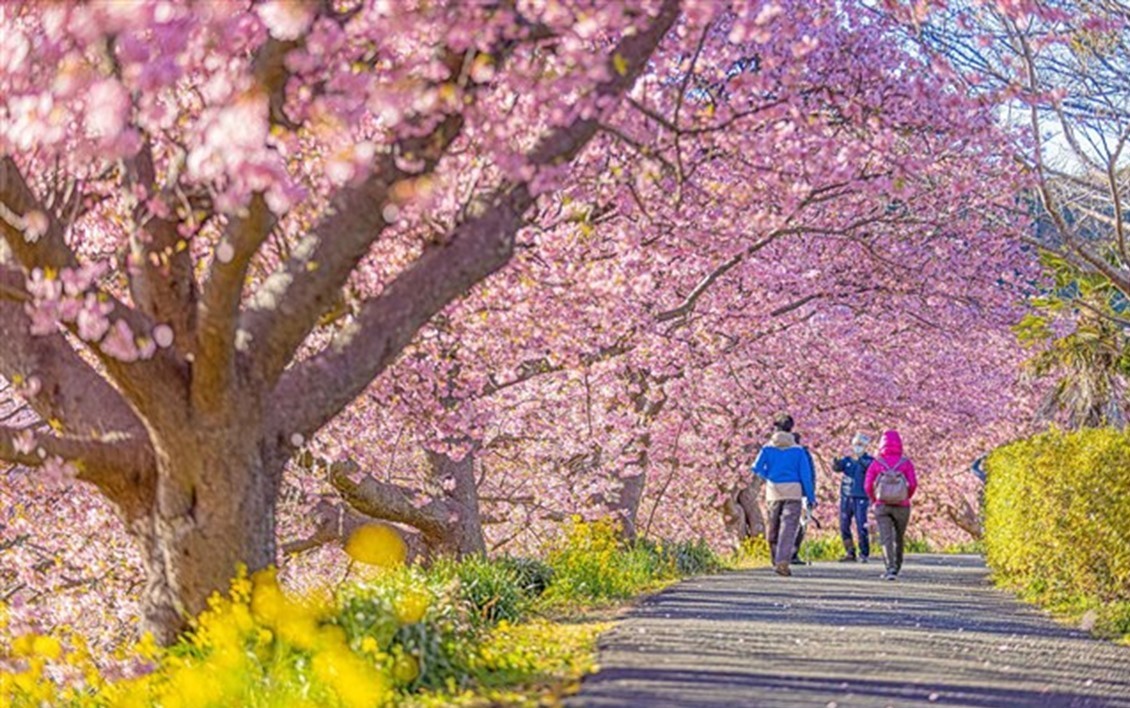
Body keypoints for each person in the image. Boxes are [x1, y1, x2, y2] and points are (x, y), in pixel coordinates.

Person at [752, 414, 816, 577]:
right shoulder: (798, 451)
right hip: (793, 492)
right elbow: (806, 476)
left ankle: (776, 560)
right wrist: (810, 496)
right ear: (791, 429)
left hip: (773, 491)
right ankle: (782, 562)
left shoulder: (767, 448)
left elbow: (756, 467)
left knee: (773, 527)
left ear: (775, 428)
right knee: (788, 528)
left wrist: (769, 476)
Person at [864, 429, 918, 580]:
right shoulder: (905, 463)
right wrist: (906, 496)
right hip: (903, 505)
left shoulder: (877, 463)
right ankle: (897, 565)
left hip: (882, 505)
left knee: (886, 537)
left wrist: (874, 499)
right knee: (899, 536)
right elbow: (913, 483)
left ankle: (890, 568)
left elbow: (867, 485)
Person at [832, 433, 874, 563]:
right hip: (846, 495)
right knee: (844, 524)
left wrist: (861, 460)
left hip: (861, 496)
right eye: (855, 444)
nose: (857, 447)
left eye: (860, 444)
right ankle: (849, 551)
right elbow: (838, 468)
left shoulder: (869, 460)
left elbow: (872, 470)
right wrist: (836, 463)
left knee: (861, 525)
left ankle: (864, 552)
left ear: (866, 446)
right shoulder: (848, 460)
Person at [789, 432, 818, 565]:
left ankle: (792, 552)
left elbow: (809, 476)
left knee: (798, 523)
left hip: (793, 493)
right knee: (800, 523)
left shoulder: (801, 454)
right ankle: (792, 552)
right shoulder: (803, 454)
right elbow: (810, 476)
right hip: (800, 493)